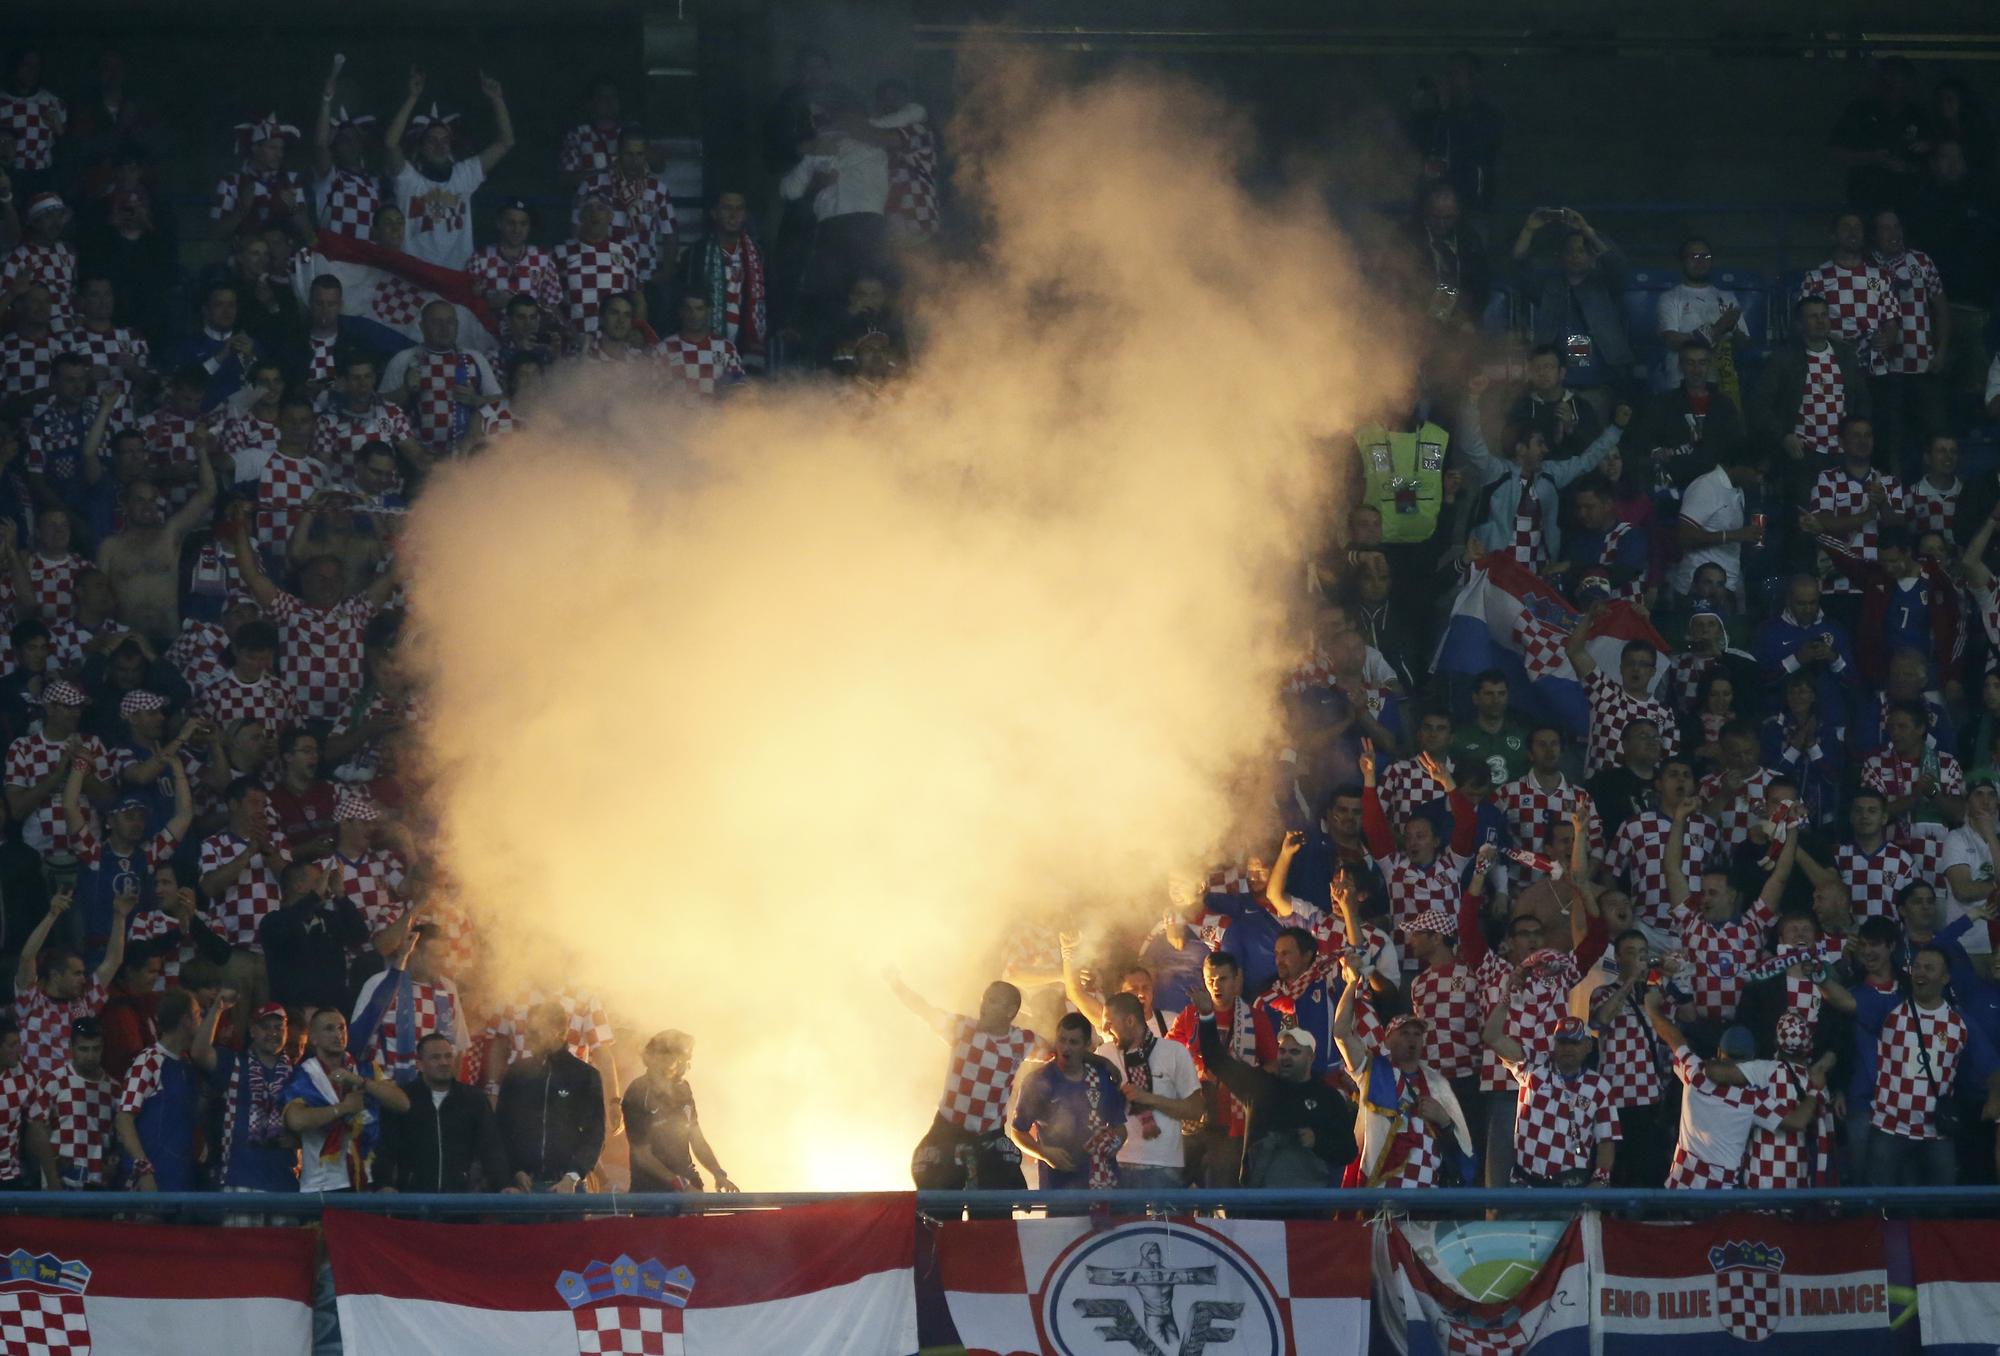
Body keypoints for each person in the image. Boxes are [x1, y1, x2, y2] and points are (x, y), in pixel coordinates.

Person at [1190, 975, 1353, 1187]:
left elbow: (1348, 1151)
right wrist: (1206, 1016)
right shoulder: (1259, 1085)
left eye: (1295, 1052)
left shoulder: (1327, 1097)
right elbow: (1216, 1060)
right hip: (1259, 1206)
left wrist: (1317, 1141)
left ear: (1310, 1058)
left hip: (1307, 1207)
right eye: (1283, 1051)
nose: (1286, 1056)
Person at [1642, 994, 1815, 1189]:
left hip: (1679, 1188)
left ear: (1718, 1052)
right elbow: (1798, 1121)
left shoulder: (1695, 1074)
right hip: (1721, 1196)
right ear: (1751, 1060)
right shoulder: (1752, 1100)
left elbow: (1674, 1037)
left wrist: (1652, 1009)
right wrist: (1814, 1091)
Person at [1456, 374, 1625, 567]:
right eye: (1539, 444)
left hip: (1535, 576)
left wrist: (1616, 429)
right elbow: (1471, 442)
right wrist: (1472, 398)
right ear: (1521, 449)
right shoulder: (1497, 472)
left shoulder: (1550, 474)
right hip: (1497, 573)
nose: (1545, 450)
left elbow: (1587, 461)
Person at [1481, 985, 1618, 1187]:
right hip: (1525, 1183)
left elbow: (1607, 1139)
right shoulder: (1533, 1066)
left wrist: (1599, 1181)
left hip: (1571, 1185)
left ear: (1588, 1046)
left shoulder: (1600, 1086)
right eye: (1562, 1042)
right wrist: (1506, 996)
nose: (1567, 1049)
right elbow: (1491, 1037)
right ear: (1554, 1044)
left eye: (1574, 1043)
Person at [382, 68, 514, 270]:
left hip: (456, 281)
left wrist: (497, 99)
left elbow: (506, 142)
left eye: (445, 140)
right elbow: (391, 144)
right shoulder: (409, 180)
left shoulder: (464, 175)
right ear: (421, 145)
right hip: (414, 278)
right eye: (432, 140)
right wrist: (412, 97)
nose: (440, 145)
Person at [1513, 209, 1631, 411]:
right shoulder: (1549, 287)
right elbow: (1518, 267)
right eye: (1570, 251)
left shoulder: (1606, 286)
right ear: (1561, 256)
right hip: (1554, 389)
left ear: (1592, 256)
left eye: (1581, 250)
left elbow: (1617, 265)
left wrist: (1587, 230)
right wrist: (1528, 230)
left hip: (1598, 385)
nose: (1575, 256)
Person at [281, 1006, 408, 1191]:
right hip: (323, 1185)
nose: (337, 1034)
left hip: (365, 1180)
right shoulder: (304, 1075)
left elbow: (402, 1103)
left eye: (342, 1028)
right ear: (313, 1038)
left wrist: (360, 1082)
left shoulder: (365, 1070)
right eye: (329, 1029)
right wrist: (344, 1108)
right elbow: (296, 1121)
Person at [13, 888, 128, 1082]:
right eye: (76, 973)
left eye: (83, 973)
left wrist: (120, 916)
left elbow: (113, 960)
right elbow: (27, 957)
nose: (83, 979)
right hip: (36, 1094)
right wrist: (52, 915)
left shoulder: (86, 1001)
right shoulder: (30, 1001)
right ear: (56, 976)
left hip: (73, 1094)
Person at [114, 987, 221, 1191]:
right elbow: (123, 1118)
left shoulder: (187, 1064)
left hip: (179, 1182)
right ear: (185, 1021)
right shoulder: (148, 1061)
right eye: (198, 1014)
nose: (201, 1020)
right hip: (148, 1185)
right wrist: (143, 1171)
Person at [1008, 1012, 1128, 1191]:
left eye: (1073, 1042)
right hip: (1059, 1188)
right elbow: (1017, 1133)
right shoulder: (1038, 1081)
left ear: (1087, 1045)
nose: (1066, 1048)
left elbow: (1120, 1129)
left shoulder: (1101, 1078)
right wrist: (1044, 1153)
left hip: (1102, 1183)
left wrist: (1109, 1146)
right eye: (1062, 1040)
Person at [377, 1031, 509, 1193]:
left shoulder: (474, 1099)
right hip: (412, 1204)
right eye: (435, 1057)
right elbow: (385, 1149)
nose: (444, 1062)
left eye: (448, 1056)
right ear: (419, 1064)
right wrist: (384, 1184)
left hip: (461, 1204)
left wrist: (504, 1185)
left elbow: (492, 1148)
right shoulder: (401, 1100)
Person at [1754, 293, 1872, 473]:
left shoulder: (1846, 355)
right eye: (1813, 316)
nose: (1820, 321)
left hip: (1842, 451)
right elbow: (1760, 404)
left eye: (1824, 315)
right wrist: (1783, 436)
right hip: (1803, 453)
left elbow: (1862, 399)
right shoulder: (1782, 359)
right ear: (1800, 324)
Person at [496, 999, 603, 1193]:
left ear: (558, 1031)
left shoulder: (585, 1075)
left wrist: (572, 1176)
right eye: (527, 1030)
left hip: (568, 1188)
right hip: (522, 1187)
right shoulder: (516, 1073)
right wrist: (514, 1171)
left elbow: (595, 1134)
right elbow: (501, 1128)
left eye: (535, 1031)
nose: (527, 1036)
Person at [622, 1029, 737, 1193]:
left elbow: (697, 1139)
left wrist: (718, 1173)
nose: (685, 1064)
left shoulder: (683, 1088)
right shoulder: (638, 1092)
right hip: (652, 1194)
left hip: (689, 1183)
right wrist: (680, 1185)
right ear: (658, 1057)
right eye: (680, 1057)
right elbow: (642, 1155)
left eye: (688, 1058)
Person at [349, 923, 467, 1075]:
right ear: (414, 952)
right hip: (386, 1086)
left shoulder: (448, 988)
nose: (442, 963)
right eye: (436, 956)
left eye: (445, 956)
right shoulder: (379, 984)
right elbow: (358, 1037)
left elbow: (457, 1045)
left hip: (429, 1088)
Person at [1567, 626, 1679, 781]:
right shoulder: (1605, 692)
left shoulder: (1664, 713)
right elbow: (1574, 651)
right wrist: (1591, 617)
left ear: (1653, 671)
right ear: (1621, 668)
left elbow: (1669, 761)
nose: (1636, 669)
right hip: (1601, 788)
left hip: (1643, 793)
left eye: (1643, 664)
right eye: (1630, 663)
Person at [209, 1002, 297, 1194]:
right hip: (240, 1177)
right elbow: (199, 1052)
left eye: (278, 1028)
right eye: (265, 1027)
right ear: (252, 1031)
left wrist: (298, 1139)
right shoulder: (233, 1063)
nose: (273, 1033)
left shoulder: (298, 1074)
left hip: (283, 1182)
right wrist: (217, 1008)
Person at [676, 189, 768, 370]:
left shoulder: (758, 254)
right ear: (714, 213)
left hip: (746, 348)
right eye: (727, 208)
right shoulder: (696, 253)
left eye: (739, 209)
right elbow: (684, 302)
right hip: (704, 347)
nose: (733, 215)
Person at [25, 1016, 119, 1190]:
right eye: (84, 1049)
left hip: (99, 1187)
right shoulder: (52, 1082)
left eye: (95, 1049)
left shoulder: (114, 1090)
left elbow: (117, 1141)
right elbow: (36, 1135)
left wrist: (113, 1162)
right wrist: (52, 1180)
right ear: (71, 1048)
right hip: (60, 1185)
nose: (90, 1056)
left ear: (102, 1048)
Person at [311, 59, 382, 242]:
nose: (350, 144)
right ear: (335, 147)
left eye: (354, 139)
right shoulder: (330, 177)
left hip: (368, 265)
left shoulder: (376, 182)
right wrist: (326, 101)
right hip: (337, 263)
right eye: (343, 140)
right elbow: (320, 145)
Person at [1452, 669, 1530, 787]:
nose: (1496, 700)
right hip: (1475, 804)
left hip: (1517, 804)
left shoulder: (1524, 736)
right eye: (1489, 694)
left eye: (1501, 694)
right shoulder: (1458, 738)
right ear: (1475, 698)